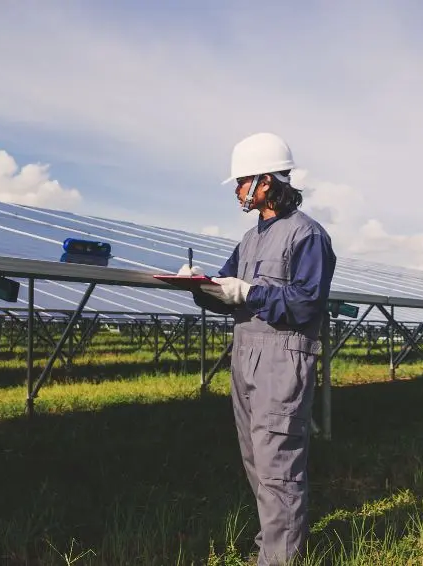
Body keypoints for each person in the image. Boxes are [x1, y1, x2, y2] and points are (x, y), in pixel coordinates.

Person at [179, 132, 337, 565]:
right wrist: (198, 284)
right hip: (246, 355)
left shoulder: (308, 236)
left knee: (278, 467)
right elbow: (226, 287)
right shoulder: (250, 240)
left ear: (265, 182)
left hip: (282, 359)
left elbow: (306, 304)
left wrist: (247, 293)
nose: (236, 190)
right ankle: (271, 549)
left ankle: (280, 560)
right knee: (255, 461)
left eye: (241, 181)